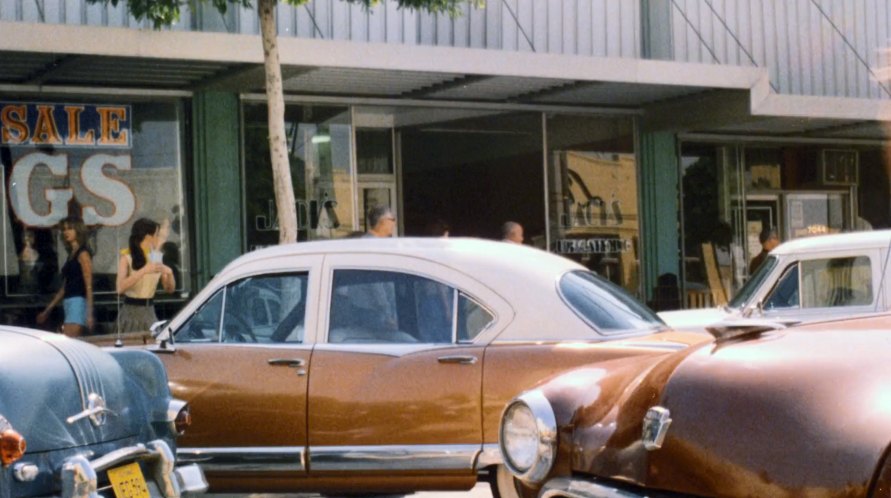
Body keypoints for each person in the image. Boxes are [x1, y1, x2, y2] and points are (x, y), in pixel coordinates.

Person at [116, 218, 176, 333]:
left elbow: (169, 289)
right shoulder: (126, 257)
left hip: (149, 311)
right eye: (156, 234)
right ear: (148, 236)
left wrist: (170, 273)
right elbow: (119, 288)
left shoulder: (156, 256)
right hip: (131, 311)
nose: (158, 237)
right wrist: (144, 270)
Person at [36, 216, 93, 337]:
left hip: (78, 301)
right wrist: (48, 310)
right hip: (69, 301)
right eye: (64, 229)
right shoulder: (71, 254)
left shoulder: (83, 254)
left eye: (70, 228)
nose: (66, 232)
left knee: (70, 341)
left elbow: (88, 285)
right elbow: (65, 287)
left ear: (78, 230)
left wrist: (89, 313)